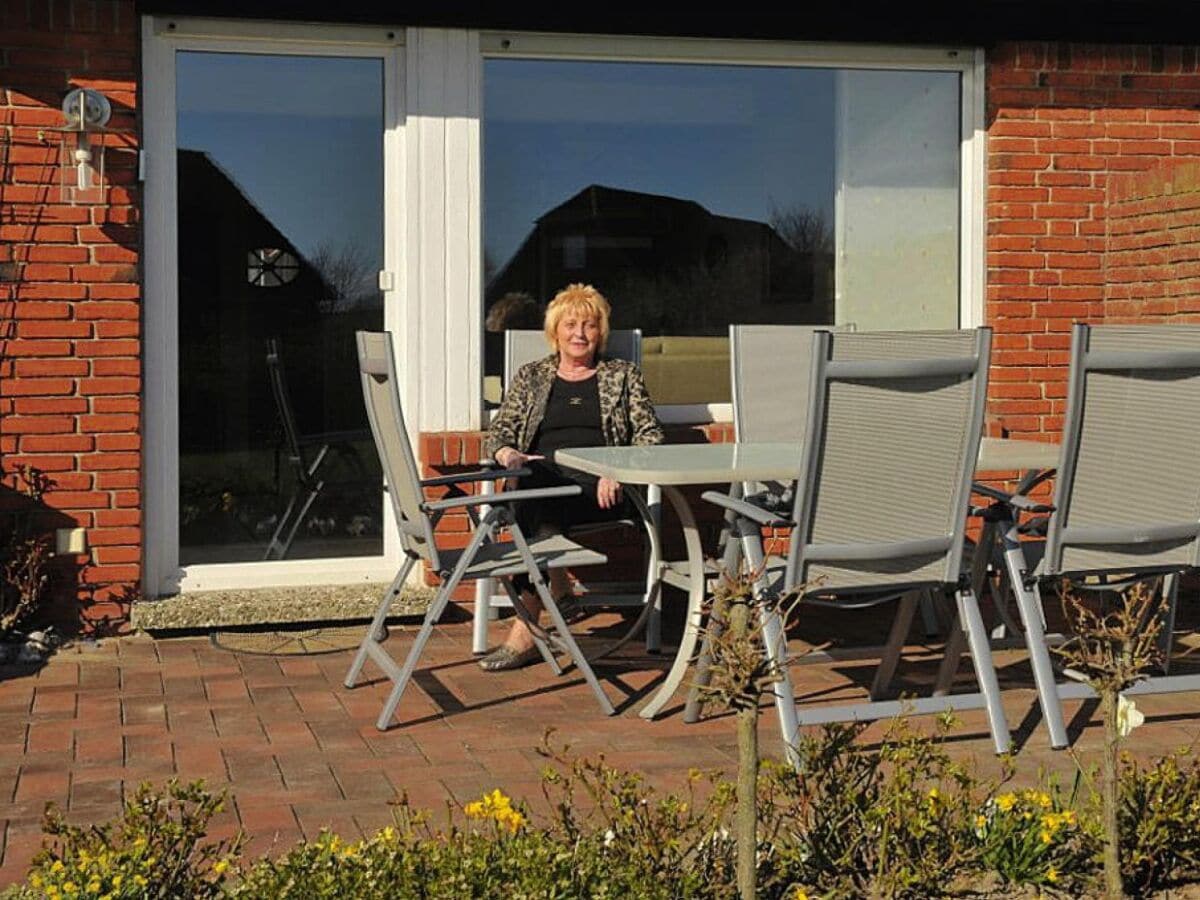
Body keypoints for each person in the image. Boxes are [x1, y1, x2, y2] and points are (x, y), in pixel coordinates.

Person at [480, 283, 663, 671]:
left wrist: (618, 469)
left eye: (590, 325)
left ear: (601, 332)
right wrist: (507, 453)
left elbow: (651, 436)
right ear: (555, 331)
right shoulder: (532, 376)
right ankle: (555, 592)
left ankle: (527, 628)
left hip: (599, 490)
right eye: (571, 324)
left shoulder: (622, 376)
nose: (580, 334)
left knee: (526, 502)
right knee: (530, 487)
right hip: (542, 481)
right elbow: (498, 433)